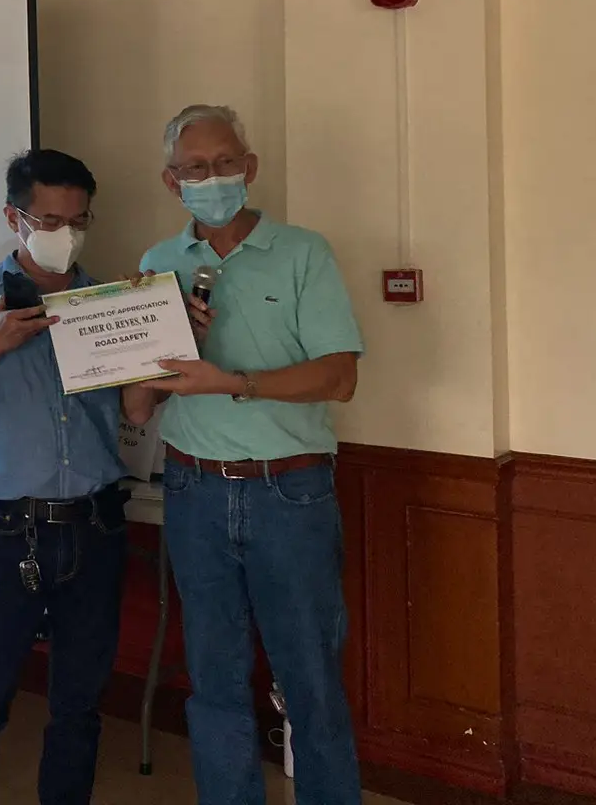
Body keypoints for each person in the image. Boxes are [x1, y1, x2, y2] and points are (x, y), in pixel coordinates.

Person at [138, 104, 363, 805]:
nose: (213, 178)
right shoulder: (157, 265)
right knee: (214, 682)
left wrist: (231, 382)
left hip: (288, 494)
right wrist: (163, 356)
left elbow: (340, 377)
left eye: (225, 163)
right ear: (172, 182)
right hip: (193, 491)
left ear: (250, 167)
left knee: (311, 680)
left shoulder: (304, 253)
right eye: (195, 168)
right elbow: (141, 398)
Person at [0, 149, 147, 805]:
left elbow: (137, 410)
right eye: (49, 221)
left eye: (78, 221)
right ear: (13, 218)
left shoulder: (107, 304)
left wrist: (161, 341)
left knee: (79, 704)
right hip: (9, 529)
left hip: (97, 525)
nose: (65, 234)